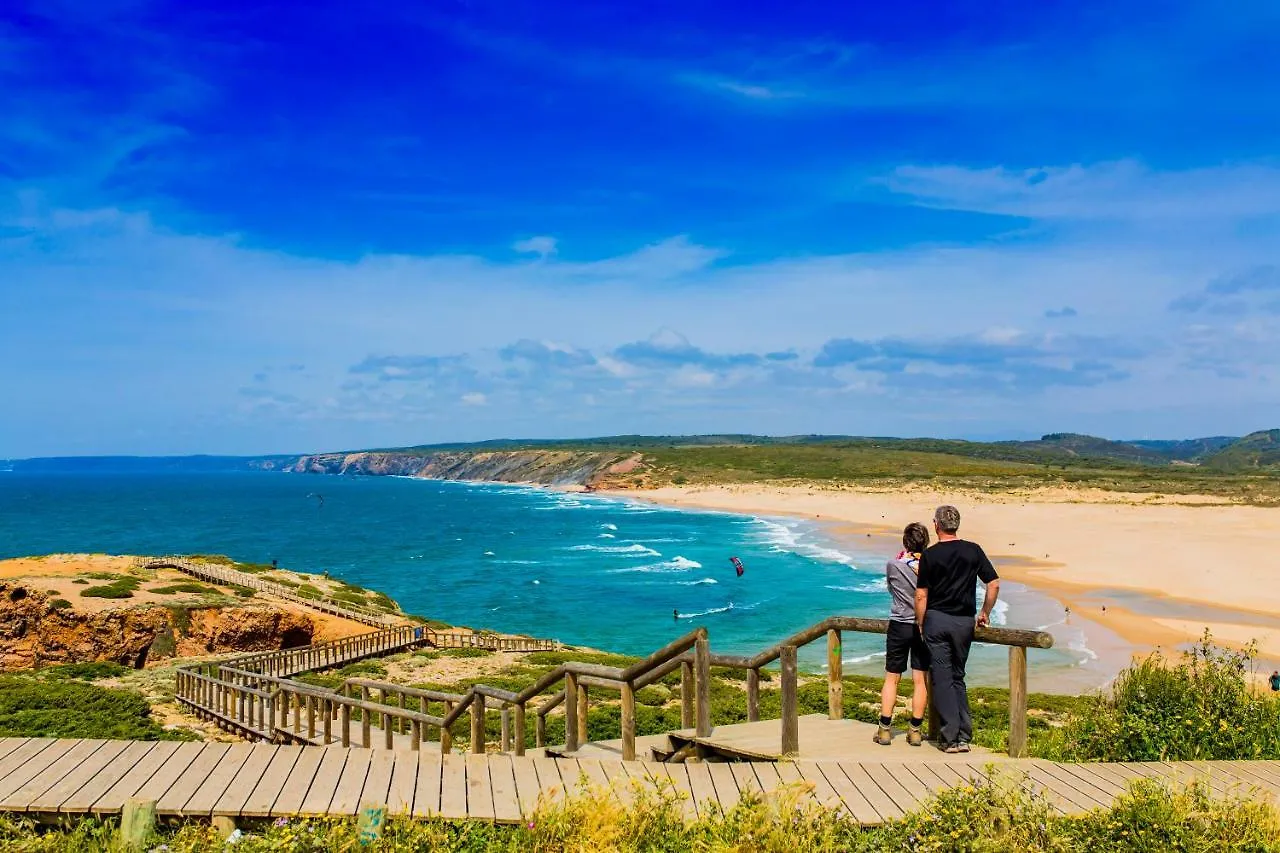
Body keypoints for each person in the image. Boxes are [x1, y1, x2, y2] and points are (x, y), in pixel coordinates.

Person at [915, 505, 1000, 753]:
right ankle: (964, 734)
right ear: (957, 525)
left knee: (942, 679)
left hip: (937, 620)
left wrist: (921, 622)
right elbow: (993, 583)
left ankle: (950, 737)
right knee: (958, 676)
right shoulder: (973, 550)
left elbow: (921, 594)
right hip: (964, 622)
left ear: (936, 525)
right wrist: (985, 612)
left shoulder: (930, 555)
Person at [875, 522, 932, 747]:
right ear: (926, 542)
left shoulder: (893, 565)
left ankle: (885, 729)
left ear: (905, 542)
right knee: (920, 680)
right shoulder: (931, 566)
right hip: (923, 625)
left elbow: (891, 588)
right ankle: (915, 730)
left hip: (899, 623)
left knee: (892, 677)